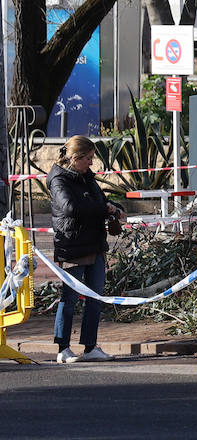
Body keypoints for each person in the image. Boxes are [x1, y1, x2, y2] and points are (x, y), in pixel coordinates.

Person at [48, 135, 122, 363]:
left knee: (95, 297)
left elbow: (100, 199)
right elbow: (70, 208)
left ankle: (90, 347)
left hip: (95, 244)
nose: (92, 163)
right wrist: (102, 209)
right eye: (88, 158)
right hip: (72, 247)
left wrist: (114, 208)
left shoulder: (86, 177)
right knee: (69, 298)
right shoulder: (59, 179)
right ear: (75, 158)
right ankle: (63, 348)